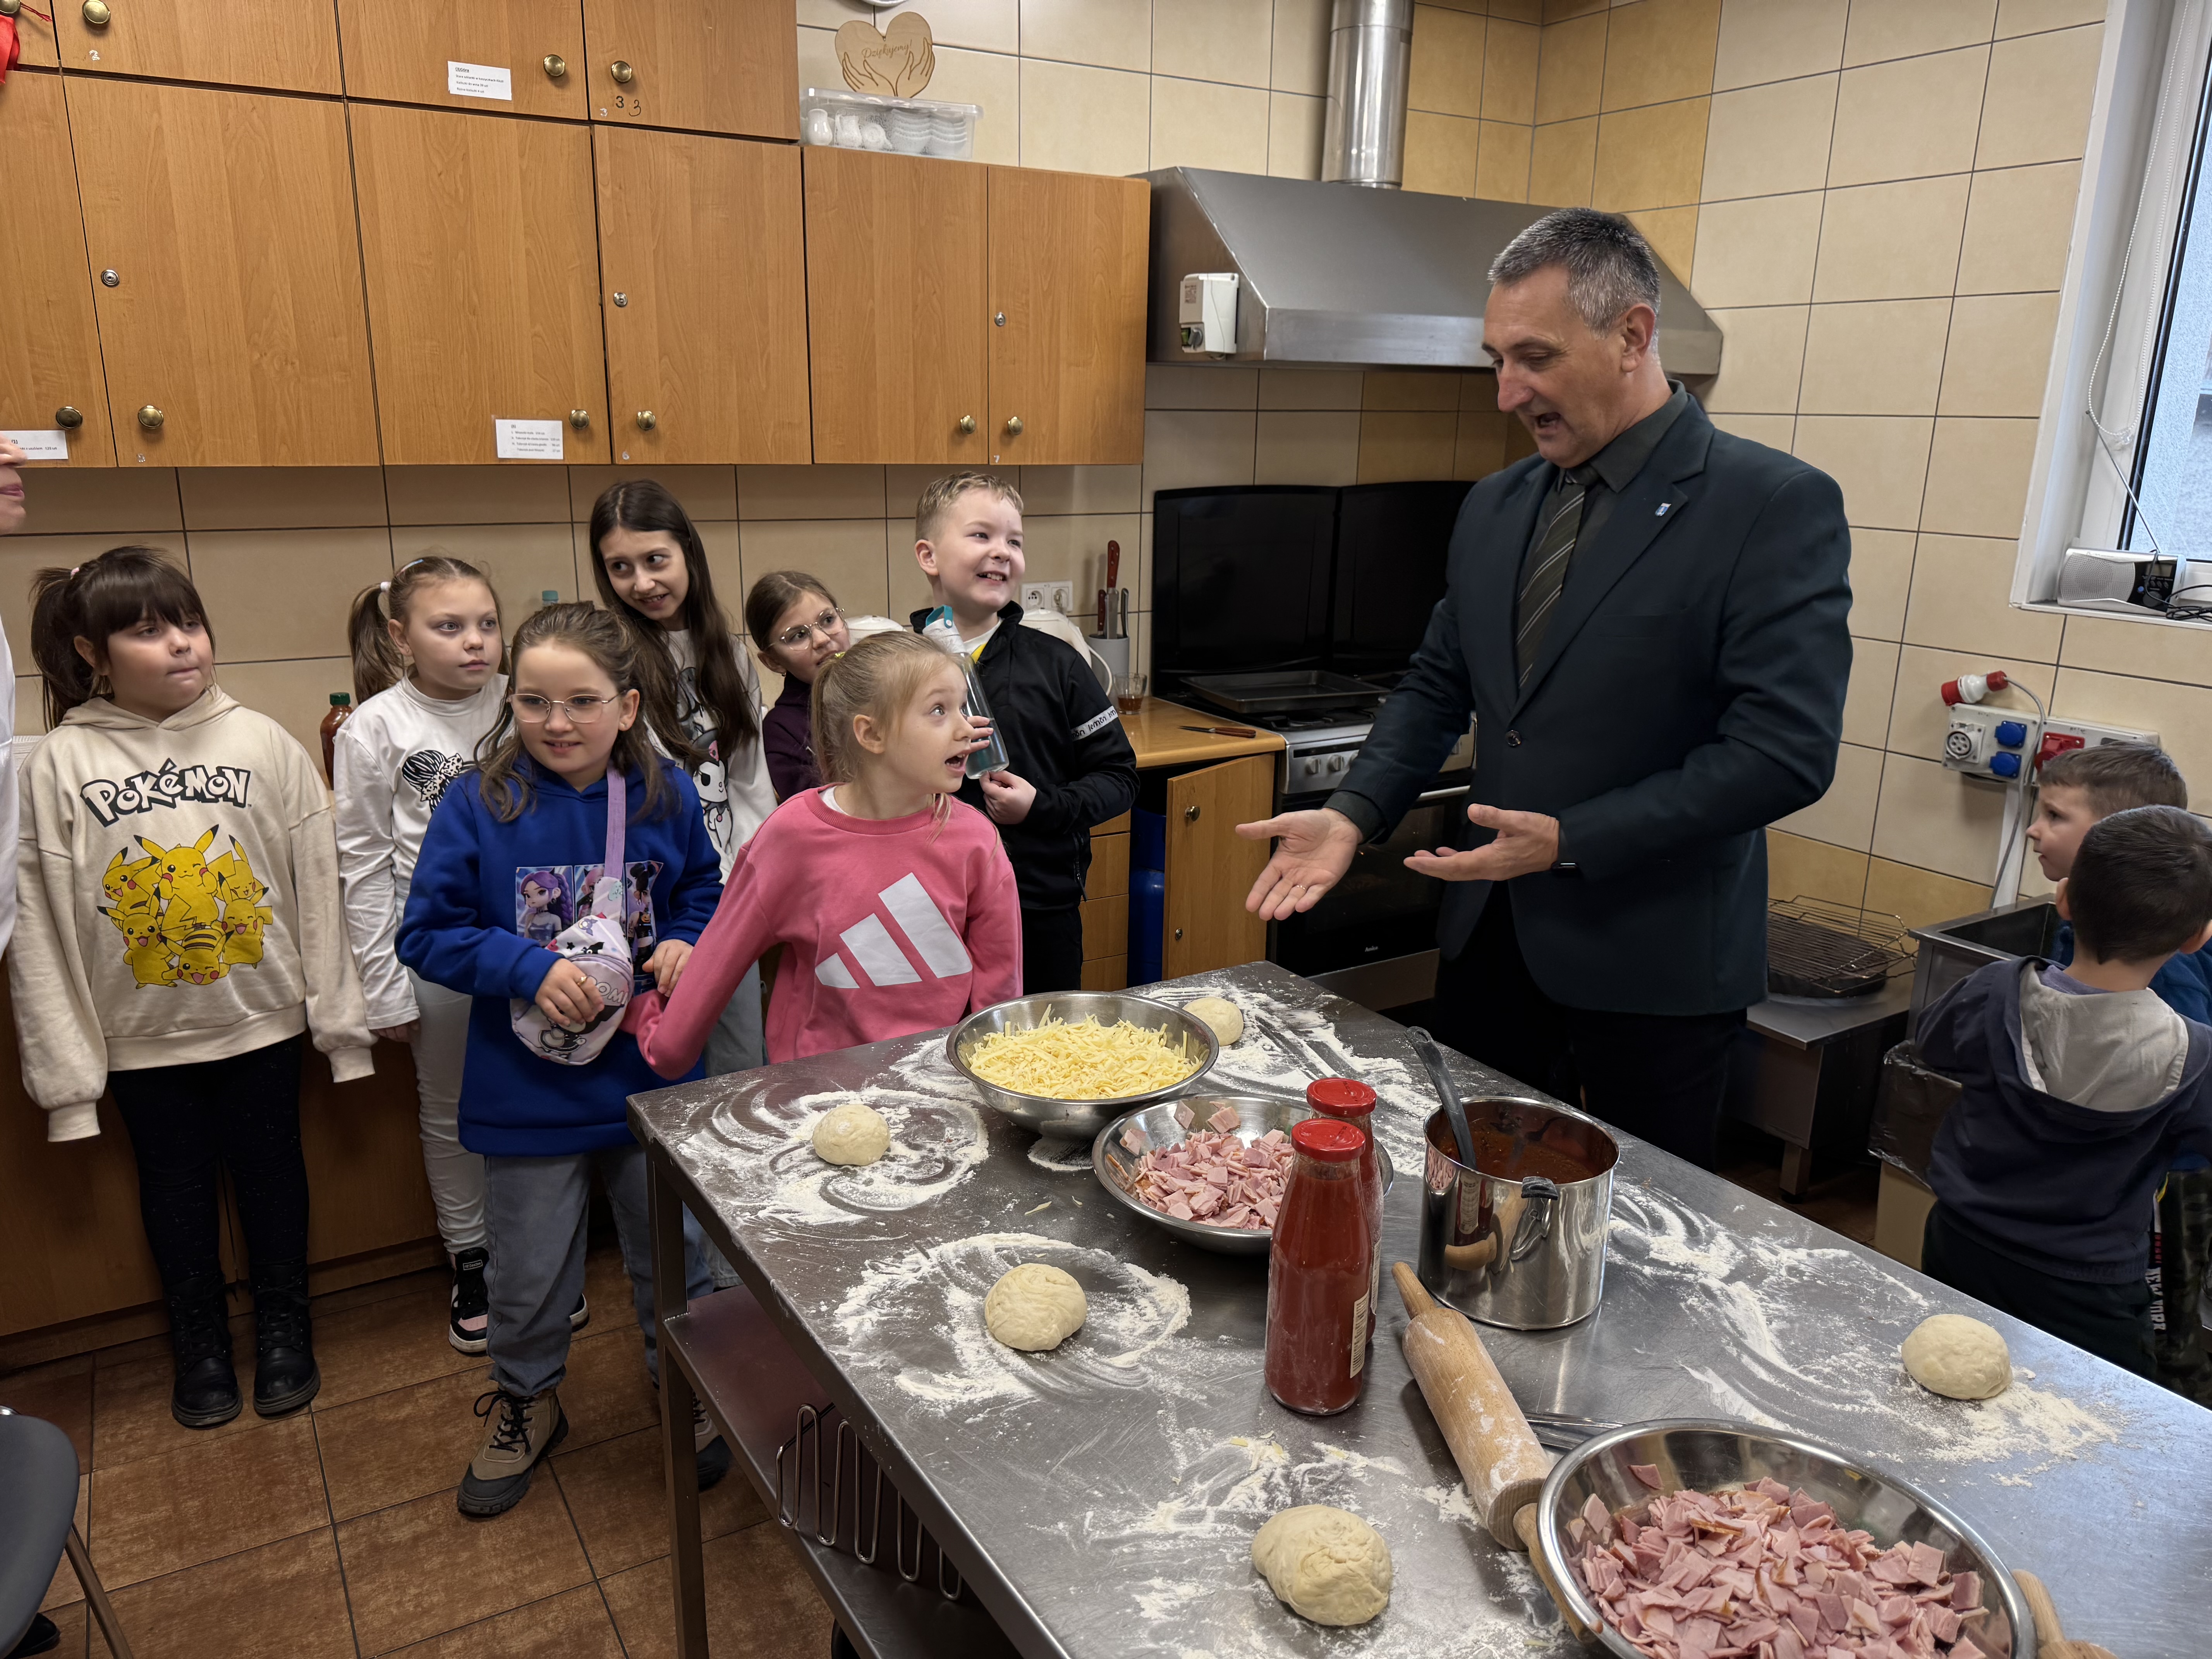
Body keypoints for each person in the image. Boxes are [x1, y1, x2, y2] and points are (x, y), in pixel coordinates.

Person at [1238, 207, 1851, 1170]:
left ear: (1633, 336)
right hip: (1492, 945)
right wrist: (1354, 813)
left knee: (1643, 1225)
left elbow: (1784, 754)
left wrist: (1573, 839)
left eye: (1536, 359)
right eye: (1497, 361)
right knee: (1472, 1195)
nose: (1507, 394)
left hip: (1655, 967)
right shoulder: (1497, 504)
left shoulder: (1769, 505)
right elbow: (1439, 683)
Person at [9, 547, 375, 1430]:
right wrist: (68, 1083)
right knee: (173, 1189)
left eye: (190, 623)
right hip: (139, 1039)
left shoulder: (262, 742)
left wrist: (341, 1027)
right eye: (148, 632)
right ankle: (200, 1340)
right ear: (92, 652)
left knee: (273, 1175)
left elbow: (318, 888)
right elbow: (41, 929)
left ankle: (285, 1324)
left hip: (263, 1023)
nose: (181, 644)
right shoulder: (57, 763)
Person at [397, 602, 728, 1518]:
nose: (556, 722)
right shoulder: (478, 803)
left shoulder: (664, 793)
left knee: (674, 1252)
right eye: (534, 701)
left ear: (627, 706)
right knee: (530, 1267)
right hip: (527, 1090)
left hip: (650, 1077)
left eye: (582, 701)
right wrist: (528, 968)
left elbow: (704, 890)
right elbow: (426, 934)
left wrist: (687, 939)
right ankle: (528, 1399)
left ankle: (686, 1381)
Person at [627, 630, 1022, 1077]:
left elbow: (999, 996)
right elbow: (719, 959)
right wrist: (666, 1046)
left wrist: (992, 1081)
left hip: (938, 1086)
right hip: (815, 1092)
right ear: (871, 733)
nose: (967, 727)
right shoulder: (792, 837)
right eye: (938, 710)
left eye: (962, 707)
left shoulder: (977, 840)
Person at [334, 553, 544, 1357]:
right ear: (400, 635)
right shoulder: (375, 726)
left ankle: (538, 1255)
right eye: (448, 626)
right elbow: (362, 861)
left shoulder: (528, 701)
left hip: (537, 939)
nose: (475, 642)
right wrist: (383, 986)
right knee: (452, 1108)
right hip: (442, 950)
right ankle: (474, 1258)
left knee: (537, 1091)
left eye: (487, 623)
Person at [1918, 806, 2212, 1377]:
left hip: (1962, 1241)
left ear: (2066, 900)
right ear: (2196, 939)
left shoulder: (1992, 990)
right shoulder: (2194, 1057)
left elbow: (1935, 1046)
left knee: (1950, 1384)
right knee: (2078, 1410)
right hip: (2088, 1285)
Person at [2023, 743, 2212, 1400]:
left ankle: (2175, 1423)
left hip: (2166, 1177)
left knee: (2162, 1328)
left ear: (2115, 839)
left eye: (2055, 815)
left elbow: (2178, 1065)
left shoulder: (2163, 962)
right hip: (2126, 1165)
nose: (2033, 829)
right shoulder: (2102, 929)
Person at [907, 471, 1136, 994]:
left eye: (1015, 541)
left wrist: (1041, 807)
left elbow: (1120, 778)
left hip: (1038, 907)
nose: (1002, 551)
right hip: (924, 905)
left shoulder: (1058, 665)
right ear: (929, 556)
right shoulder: (896, 670)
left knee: (1041, 1038)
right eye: (981, 535)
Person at [588, 481, 778, 1079]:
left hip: (724, 895)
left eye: (655, 560)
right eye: (621, 568)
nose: (642, 582)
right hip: (655, 901)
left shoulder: (728, 654)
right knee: (661, 1068)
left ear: (688, 553)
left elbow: (749, 782)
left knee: (740, 1063)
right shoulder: (609, 657)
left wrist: (749, 885)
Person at [745, 569, 852, 802]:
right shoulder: (782, 731)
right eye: (798, 636)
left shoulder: (884, 686)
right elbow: (814, 811)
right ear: (773, 661)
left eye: (828, 620)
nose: (822, 639)